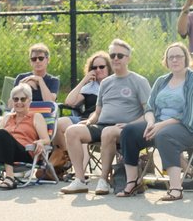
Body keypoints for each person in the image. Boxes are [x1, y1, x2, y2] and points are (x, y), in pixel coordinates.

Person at [117, 43, 193, 201]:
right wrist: (150, 123)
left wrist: (160, 125)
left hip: (189, 128)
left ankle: (176, 188)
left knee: (165, 135)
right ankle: (132, 182)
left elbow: (190, 113)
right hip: (158, 125)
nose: (174, 60)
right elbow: (150, 108)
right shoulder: (161, 81)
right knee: (129, 132)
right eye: (171, 57)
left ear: (186, 59)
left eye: (178, 56)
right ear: (166, 61)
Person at [60, 40, 150, 195]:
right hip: (102, 124)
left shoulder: (139, 81)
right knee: (72, 131)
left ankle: (103, 180)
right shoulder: (106, 83)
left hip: (125, 128)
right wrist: (88, 121)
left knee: (108, 132)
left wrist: (131, 124)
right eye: (113, 55)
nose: (115, 58)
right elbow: (98, 112)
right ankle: (79, 180)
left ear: (128, 59)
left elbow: (149, 111)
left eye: (120, 55)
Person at [0, 84, 49, 189]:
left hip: (24, 152)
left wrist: (41, 142)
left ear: (29, 101)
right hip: (3, 153)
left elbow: (47, 139)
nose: (19, 102)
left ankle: (10, 177)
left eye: (23, 99)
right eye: (16, 99)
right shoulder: (7, 117)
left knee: (2, 133)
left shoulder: (36, 117)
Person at [50, 50, 110, 173]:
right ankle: (69, 159)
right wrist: (84, 80)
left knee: (79, 129)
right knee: (58, 123)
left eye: (102, 67)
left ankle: (79, 173)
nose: (98, 69)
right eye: (94, 67)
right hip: (85, 118)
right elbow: (69, 102)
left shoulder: (114, 84)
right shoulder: (90, 87)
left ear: (109, 68)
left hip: (103, 120)